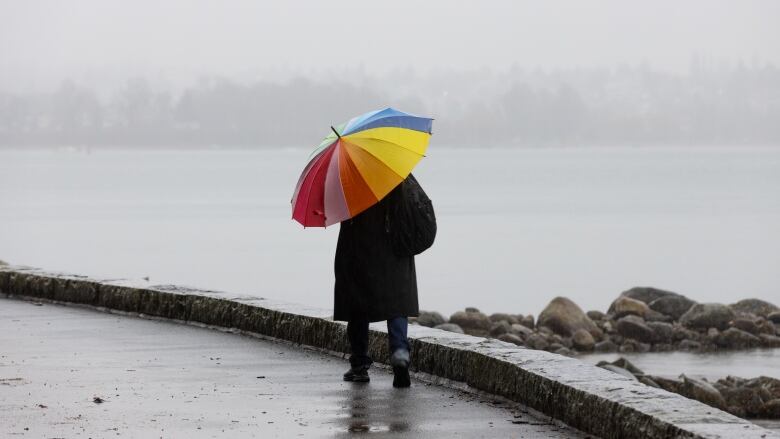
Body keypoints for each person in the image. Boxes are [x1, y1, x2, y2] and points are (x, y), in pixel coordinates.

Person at [333, 176, 419, 388]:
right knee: (397, 304)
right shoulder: (396, 172)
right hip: (395, 250)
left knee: (358, 304)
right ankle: (399, 353)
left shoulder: (349, 178)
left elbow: (338, 212)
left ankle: (359, 365)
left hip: (360, 249)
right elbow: (416, 207)